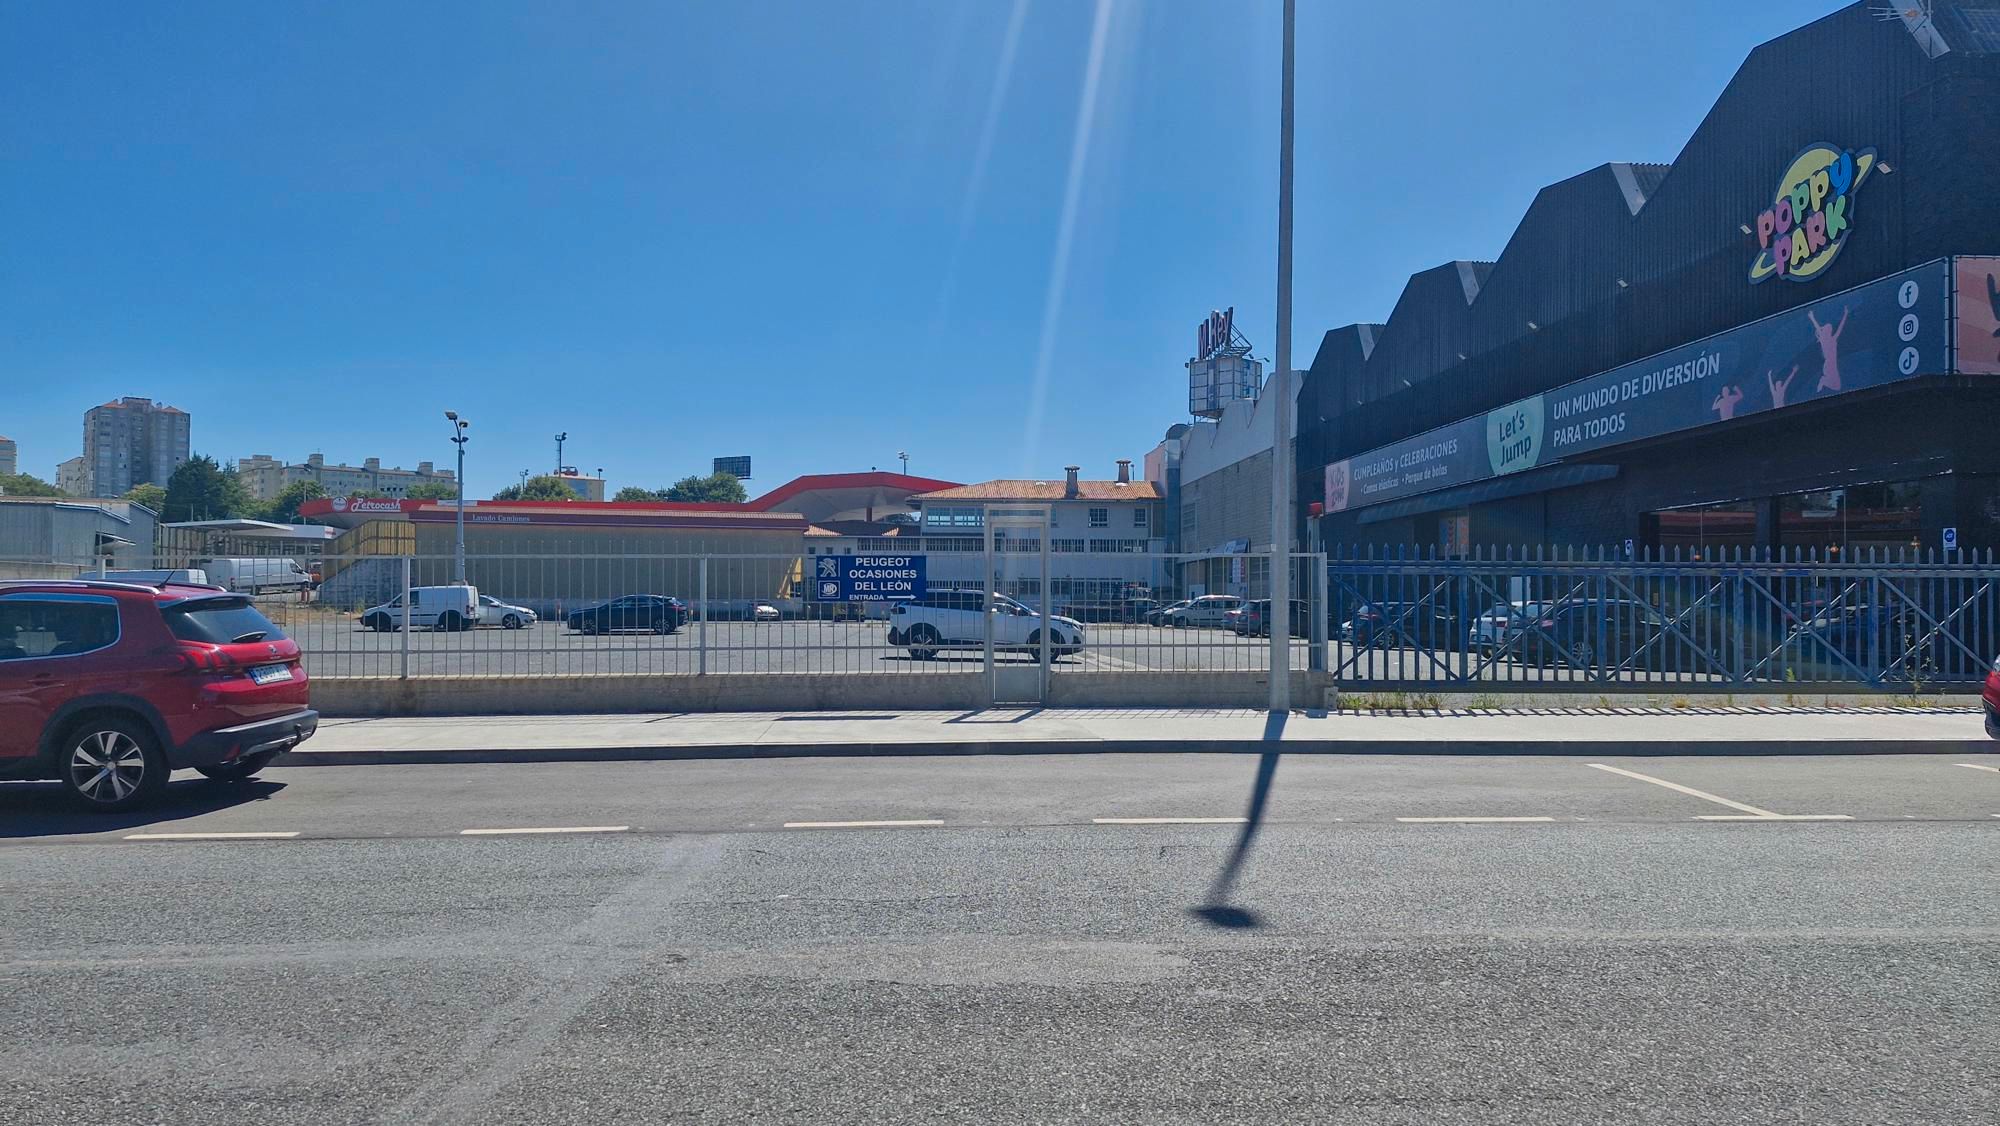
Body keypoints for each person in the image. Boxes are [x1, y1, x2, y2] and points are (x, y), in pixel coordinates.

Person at [1807, 306, 1850, 392]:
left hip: (1831, 364)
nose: (1831, 329)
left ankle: (1823, 381)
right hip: (1830, 365)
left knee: (1837, 386)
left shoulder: (1831, 339)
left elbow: (1840, 327)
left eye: (1830, 328)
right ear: (1827, 331)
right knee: (1837, 386)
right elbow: (1817, 327)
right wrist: (1812, 317)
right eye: (1829, 328)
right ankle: (1823, 381)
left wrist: (1845, 314)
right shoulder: (1827, 339)